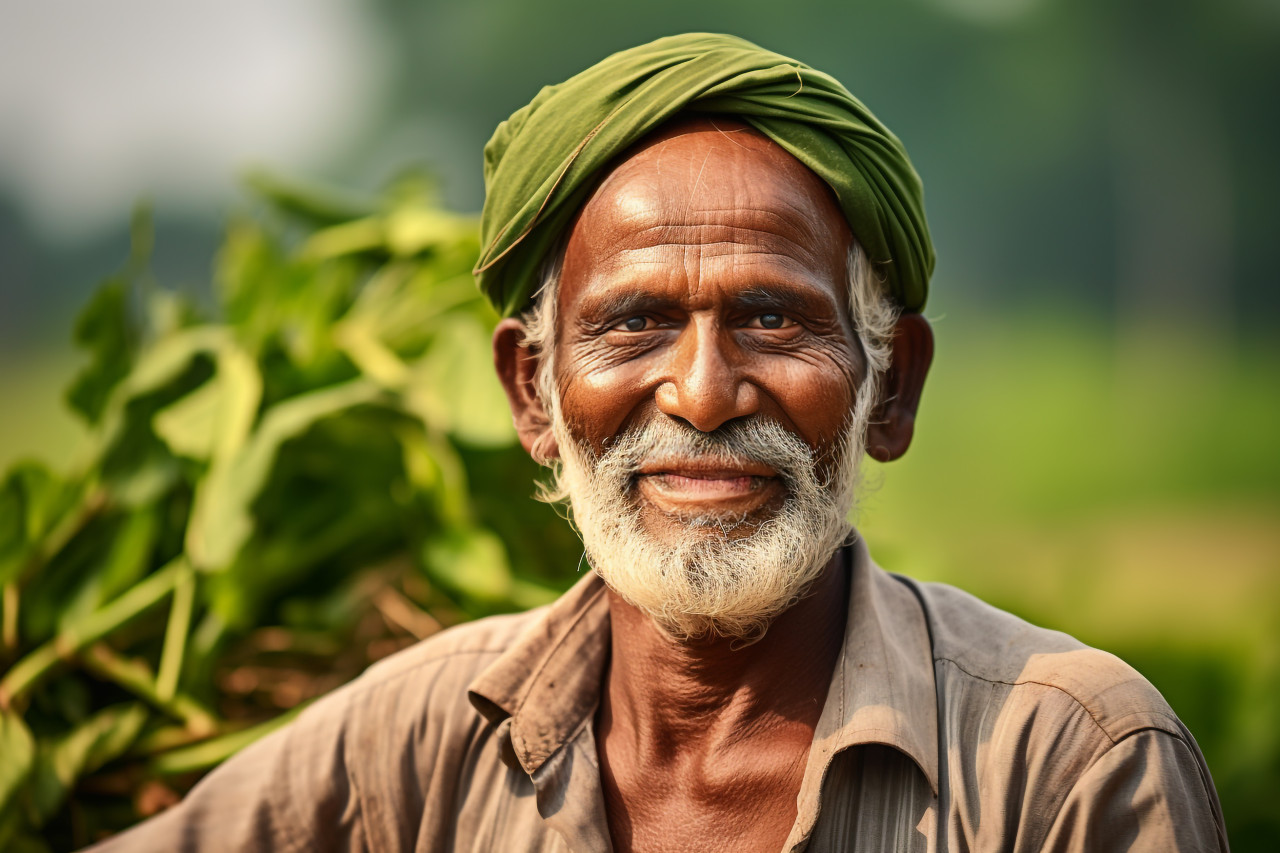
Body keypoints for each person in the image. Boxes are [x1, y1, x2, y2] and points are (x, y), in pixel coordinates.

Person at [88, 33, 1228, 853]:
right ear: (532, 394)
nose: (701, 392)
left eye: (771, 319)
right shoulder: (410, 753)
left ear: (891, 388)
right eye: (633, 324)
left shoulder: (1063, 764)